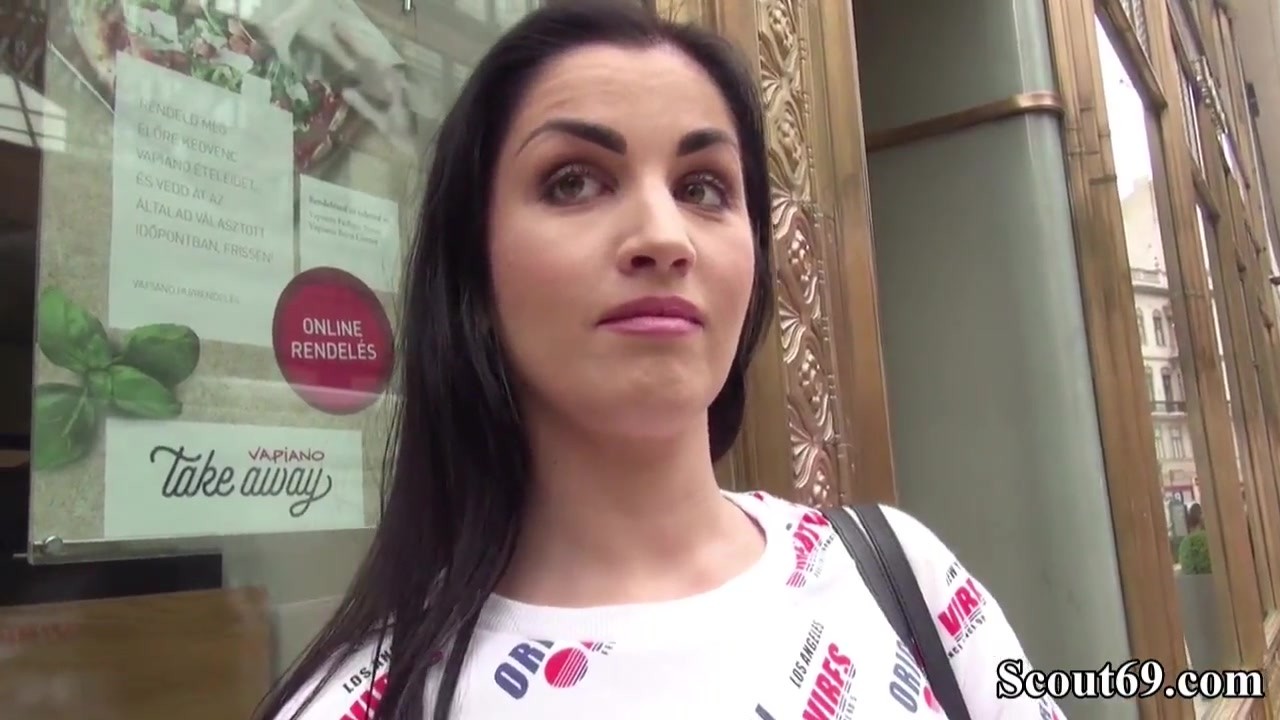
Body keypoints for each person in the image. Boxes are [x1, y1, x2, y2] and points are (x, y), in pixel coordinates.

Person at [255, 3, 1065, 718]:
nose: (664, 238)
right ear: (474, 267)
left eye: (704, 188)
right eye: (574, 183)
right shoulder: (366, 701)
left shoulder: (901, 579)